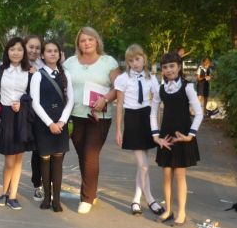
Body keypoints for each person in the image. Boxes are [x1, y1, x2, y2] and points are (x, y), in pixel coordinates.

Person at [64, 27, 119, 214]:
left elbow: (118, 86)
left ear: (97, 41)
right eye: (82, 40)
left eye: (90, 39)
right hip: (75, 116)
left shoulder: (108, 62)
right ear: (78, 44)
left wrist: (105, 99)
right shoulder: (70, 63)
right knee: (83, 155)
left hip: (99, 117)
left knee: (90, 155)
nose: (86, 43)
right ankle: (92, 193)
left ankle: (87, 197)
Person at [150, 52, 203, 226]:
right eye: (165, 67)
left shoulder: (187, 87)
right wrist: (156, 136)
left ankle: (181, 212)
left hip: (182, 137)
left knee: (180, 175)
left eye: (172, 66)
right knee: (166, 175)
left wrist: (190, 135)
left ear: (179, 67)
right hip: (166, 137)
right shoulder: (161, 89)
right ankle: (168, 210)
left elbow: (199, 113)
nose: (169, 70)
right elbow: (153, 113)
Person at [115, 44, 164, 216]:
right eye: (130, 60)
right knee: (143, 166)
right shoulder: (123, 79)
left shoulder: (152, 79)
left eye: (137, 59)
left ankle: (136, 199)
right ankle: (149, 198)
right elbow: (119, 105)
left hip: (147, 119)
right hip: (132, 119)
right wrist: (118, 129)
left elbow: (157, 104)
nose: (134, 63)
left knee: (142, 165)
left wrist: (157, 128)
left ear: (144, 58)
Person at [30, 40, 74, 212]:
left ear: (60, 54)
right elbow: (35, 102)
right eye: (49, 51)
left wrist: (61, 122)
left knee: (57, 162)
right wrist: (50, 123)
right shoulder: (38, 75)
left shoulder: (65, 74)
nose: (52, 53)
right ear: (42, 55)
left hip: (61, 123)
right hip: (44, 124)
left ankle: (56, 200)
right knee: (45, 160)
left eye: (55, 50)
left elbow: (70, 100)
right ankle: (47, 198)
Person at [0, 37, 33, 210]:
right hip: (7, 115)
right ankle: (4, 191)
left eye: (19, 49)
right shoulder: (0, 70)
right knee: (9, 160)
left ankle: (12, 195)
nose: (16, 52)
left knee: (18, 159)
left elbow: (33, 96)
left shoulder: (30, 72)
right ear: (7, 51)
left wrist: (22, 105)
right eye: (12, 49)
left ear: (24, 52)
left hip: (22, 115)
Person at [24, 35, 44, 202]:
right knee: (16, 152)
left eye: (37, 48)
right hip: (22, 113)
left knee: (40, 150)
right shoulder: (17, 63)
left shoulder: (43, 65)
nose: (34, 50)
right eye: (31, 47)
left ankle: (39, 184)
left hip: (41, 114)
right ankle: (10, 188)